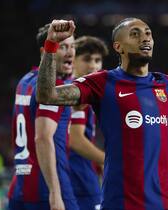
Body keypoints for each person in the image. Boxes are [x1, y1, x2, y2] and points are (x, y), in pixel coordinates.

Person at [36, 18, 168, 210]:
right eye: (135, 34)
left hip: (165, 203)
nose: (145, 39)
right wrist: (52, 44)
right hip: (120, 203)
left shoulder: (166, 84)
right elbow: (47, 95)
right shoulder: (101, 83)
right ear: (118, 47)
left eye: (148, 33)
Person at [7, 23, 80, 210]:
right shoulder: (52, 88)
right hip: (47, 189)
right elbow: (42, 138)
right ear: (45, 50)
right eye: (63, 46)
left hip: (21, 186)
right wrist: (55, 194)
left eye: (73, 46)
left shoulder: (25, 81)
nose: (71, 52)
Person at [69, 35, 108, 210]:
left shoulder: (84, 92)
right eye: (86, 59)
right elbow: (75, 140)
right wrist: (109, 161)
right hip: (78, 177)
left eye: (97, 60)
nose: (93, 65)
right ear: (72, 60)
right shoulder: (76, 92)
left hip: (77, 173)